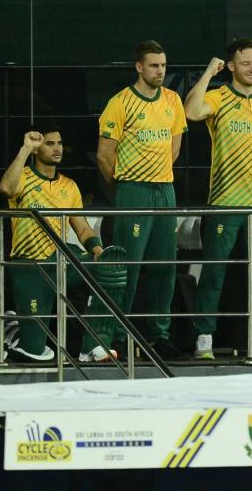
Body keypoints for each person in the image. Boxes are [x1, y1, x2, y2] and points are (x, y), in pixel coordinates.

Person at [184, 38, 252, 360]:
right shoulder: (219, 96)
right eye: (245, 63)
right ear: (231, 66)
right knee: (214, 273)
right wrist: (207, 73)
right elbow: (190, 110)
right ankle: (204, 338)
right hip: (224, 203)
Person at [92, 40, 188, 359]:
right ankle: (119, 335)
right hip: (133, 189)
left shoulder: (173, 100)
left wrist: (157, 175)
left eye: (163, 65)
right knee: (127, 268)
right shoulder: (119, 103)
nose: (160, 71)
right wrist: (124, 190)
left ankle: (159, 336)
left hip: (165, 189)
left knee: (165, 267)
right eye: (154, 66)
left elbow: (174, 148)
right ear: (139, 67)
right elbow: (105, 157)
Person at [0, 129, 124, 363]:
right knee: (35, 353)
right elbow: (6, 189)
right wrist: (25, 148)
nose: (57, 148)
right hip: (30, 268)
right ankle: (10, 330)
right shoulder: (23, 176)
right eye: (49, 144)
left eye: (59, 143)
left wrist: (98, 250)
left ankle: (94, 345)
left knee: (109, 269)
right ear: (38, 148)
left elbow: (83, 229)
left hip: (60, 261)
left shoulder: (69, 185)